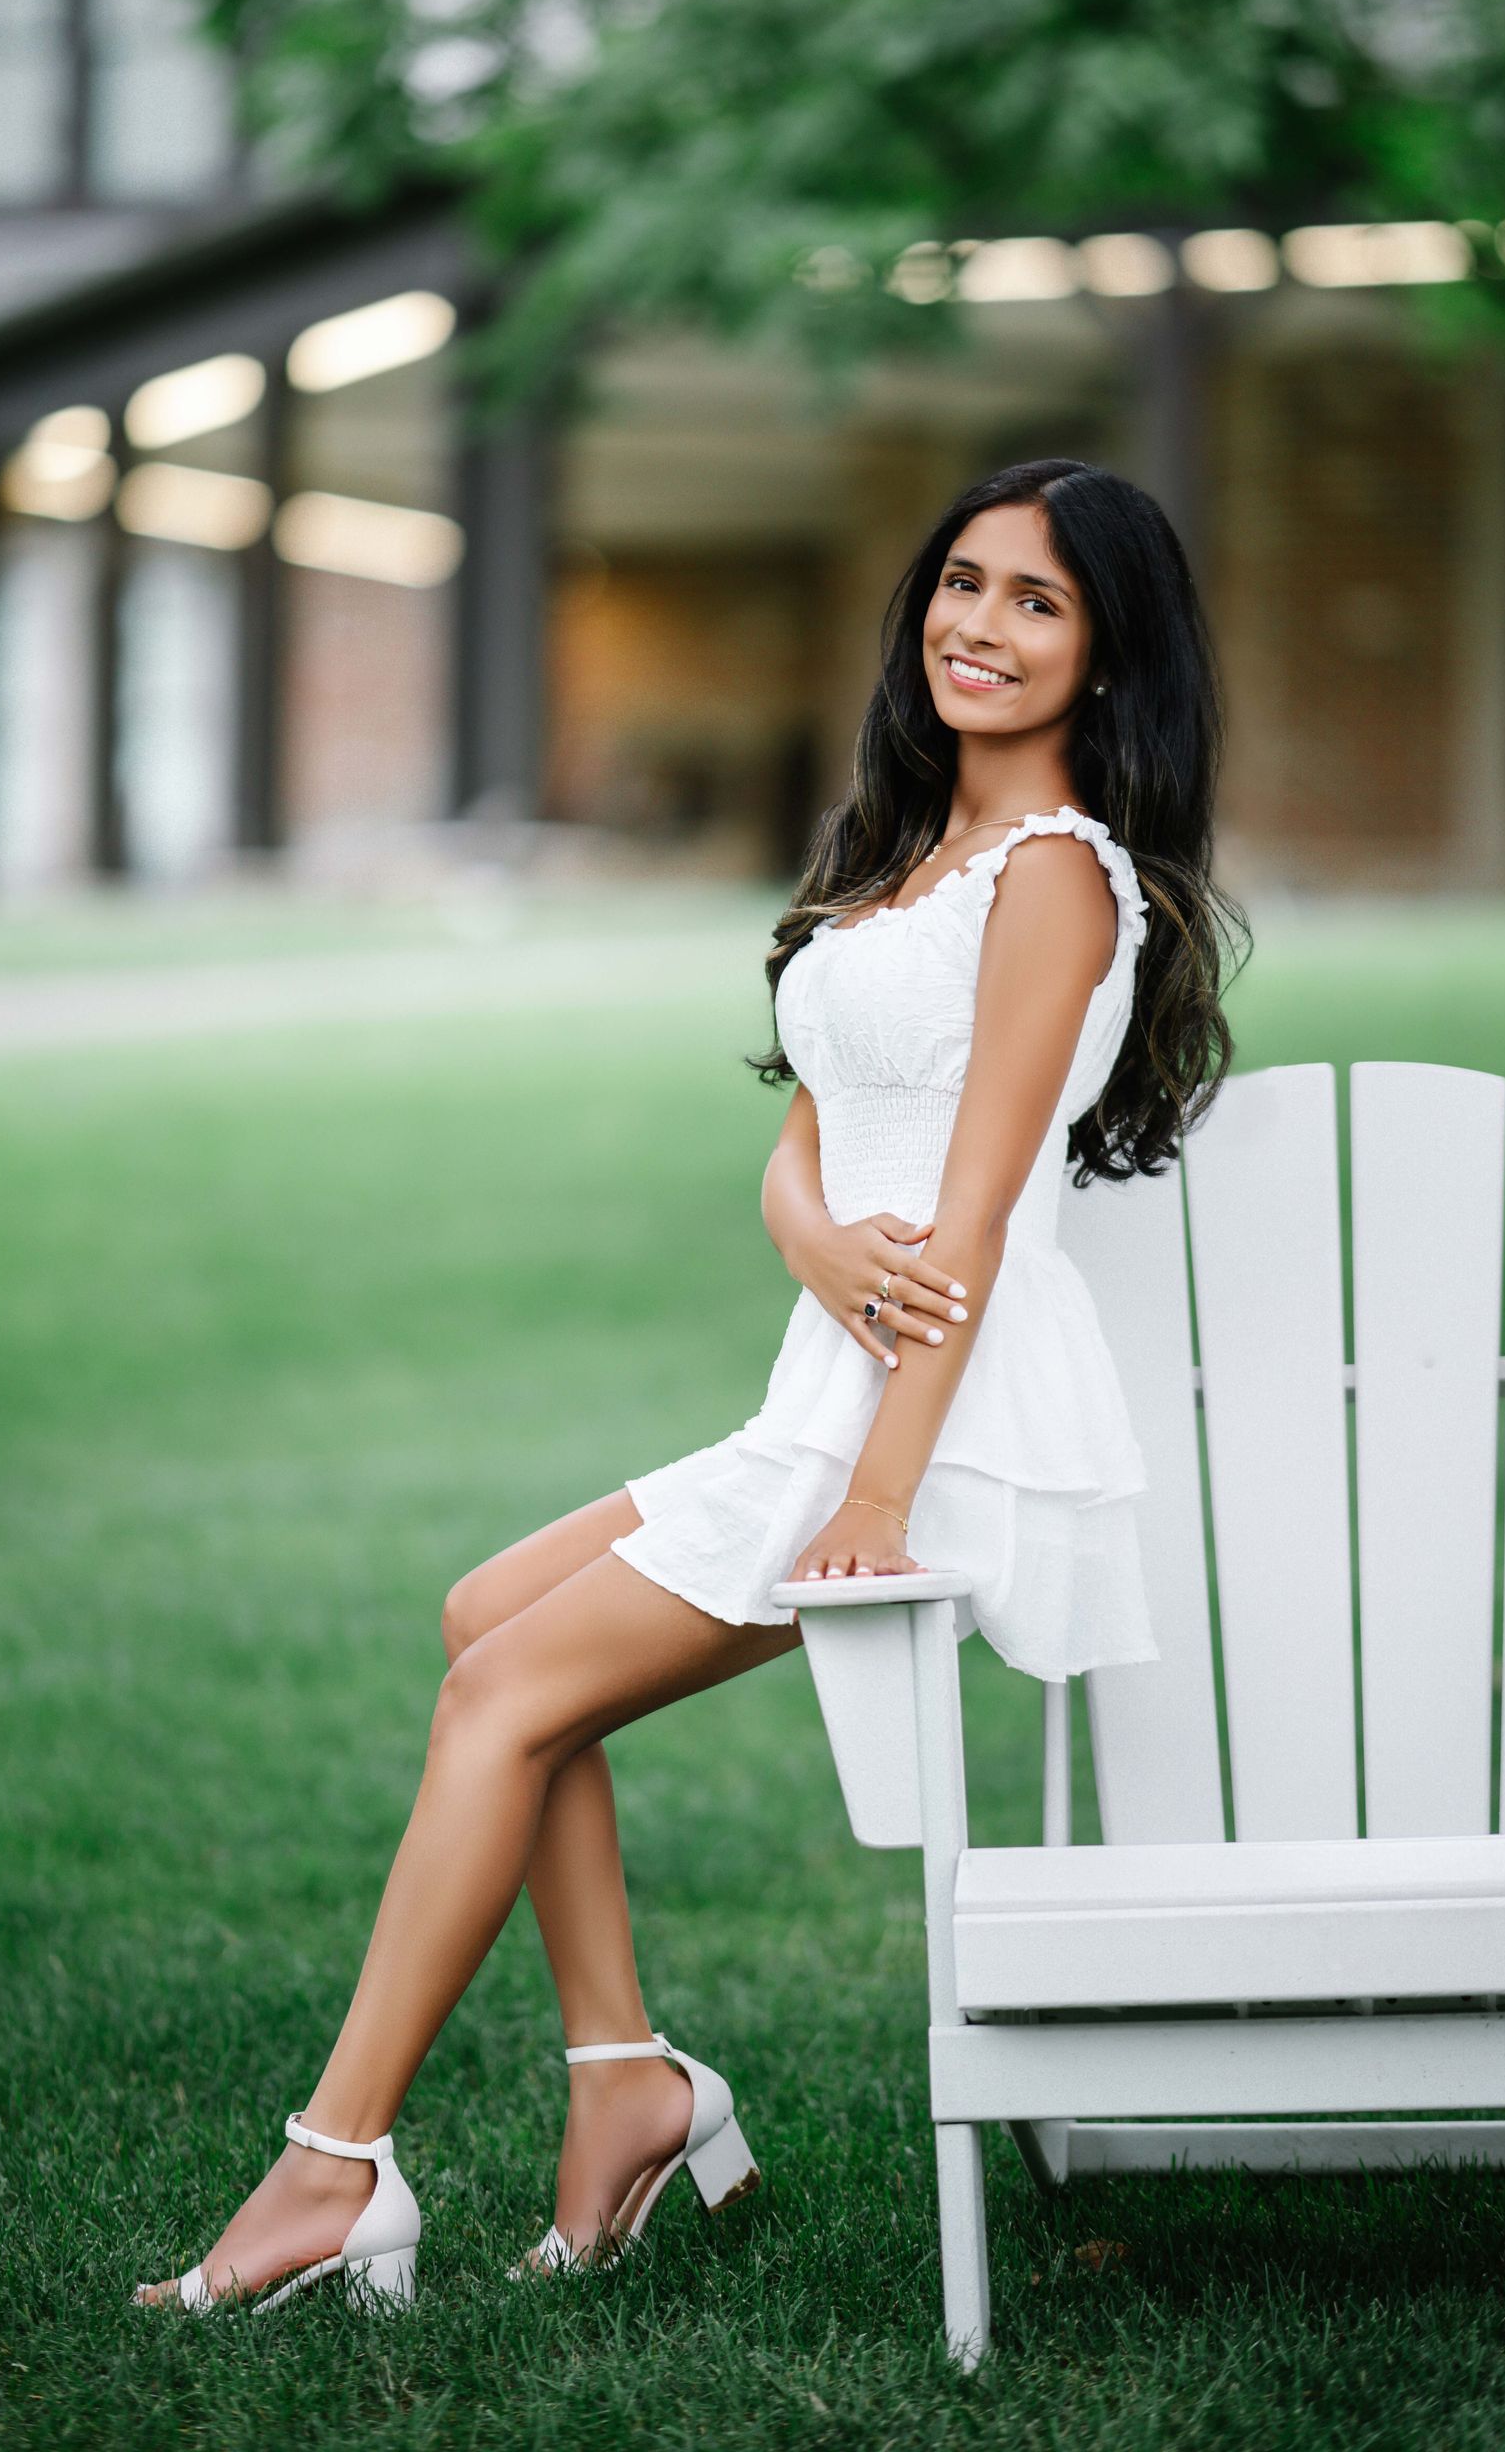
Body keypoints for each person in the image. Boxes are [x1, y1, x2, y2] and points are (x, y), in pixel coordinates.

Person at [138, 454, 1242, 2313]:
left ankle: (332, 2173)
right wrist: (805, 1233)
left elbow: (972, 1222)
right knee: (484, 1623)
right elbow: (812, 1145)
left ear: (1113, 657)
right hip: (832, 1380)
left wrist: (882, 1501)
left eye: (1038, 602)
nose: (979, 625)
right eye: (962, 584)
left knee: (501, 1695)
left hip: (936, 1420)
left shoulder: (1057, 878)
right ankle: (627, 2084)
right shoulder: (906, 854)